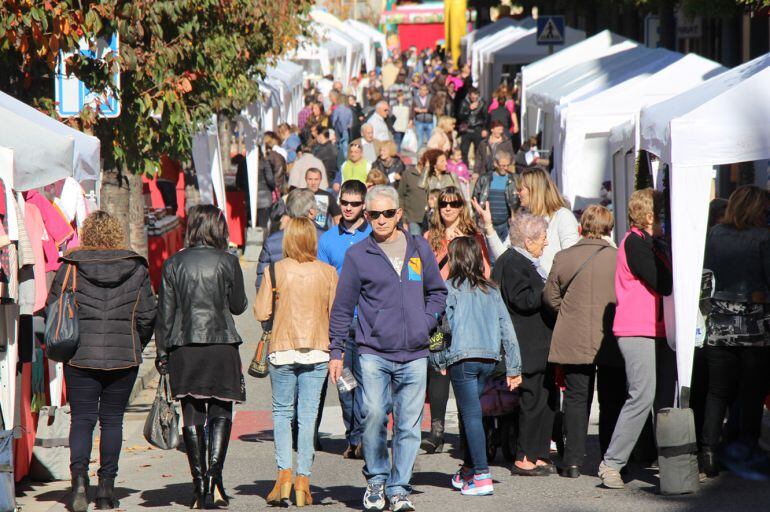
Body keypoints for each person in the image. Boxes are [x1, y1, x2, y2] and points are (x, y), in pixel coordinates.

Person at [328, 185, 447, 512]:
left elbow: (438, 292)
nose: (380, 219)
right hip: (373, 352)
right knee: (374, 416)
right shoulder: (358, 255)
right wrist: (336, 351)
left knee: (409, 426)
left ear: (398, 214)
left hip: (415, 353)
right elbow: (342, 307)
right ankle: (377, 480)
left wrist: (426, 321)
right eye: (373, 214)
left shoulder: (419, 248)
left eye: (386, 213)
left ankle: (399, 490)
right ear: (366, 216)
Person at [49, 212, 156, 512]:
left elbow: (52, 307)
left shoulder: (71, 265)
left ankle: (80, 481)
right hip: (124, 356)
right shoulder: (136, 266)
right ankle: (106, 490)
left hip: (80, 355)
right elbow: (148, 315)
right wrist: (136, 342)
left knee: (82, 420)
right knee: (113, 421)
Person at [156, 205, 248, 509]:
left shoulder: (173, 264)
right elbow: (238, 306)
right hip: (221, 343)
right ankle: (212, 482)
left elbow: (164, 315)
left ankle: (201, 486)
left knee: (192, 414)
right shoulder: (228, 261)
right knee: (221, 411)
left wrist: (161, 354)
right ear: (217, 228)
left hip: (185, 346)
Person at [255, 217, 338, 507]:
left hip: (283, 348)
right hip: (317, 348)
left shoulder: (275, 271)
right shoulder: (327, 272)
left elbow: (261, 312)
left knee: (281, 413)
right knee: (307, 416)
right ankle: (304, 480)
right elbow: (336, 314)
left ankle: (284, 477)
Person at [429, 236, 522, 495]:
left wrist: (437, 360)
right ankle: (469, 468)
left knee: (470, 415)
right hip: (489, 359)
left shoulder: (448, 288)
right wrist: (514, 367)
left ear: (454, 259)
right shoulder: (491, 289)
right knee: (470, 412)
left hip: (463, 358)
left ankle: (481, 474)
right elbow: (507, 328)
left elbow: (439, 326)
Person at [598, 188, 675, 490]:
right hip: (636, 329)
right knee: (642, 396)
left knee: (662, 399)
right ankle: (611, 464)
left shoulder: (651, 243)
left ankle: (668, 460)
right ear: (648, 214)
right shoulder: (634, 243)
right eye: (659, 213)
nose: (664, 219)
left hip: (657, 329)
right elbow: (663, 282)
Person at [543, 205, 621, 478]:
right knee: (612, 399)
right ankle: (610, 457)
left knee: (576, 399)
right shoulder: (617, 258)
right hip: (609, 335)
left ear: (582, 226)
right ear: (609, 227)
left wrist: (568, 309)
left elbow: (550, 297)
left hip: (573, 335)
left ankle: (574, 461)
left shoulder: (564, 257)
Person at [699, 185, 770, 477]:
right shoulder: (764, 238)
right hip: (755, 324)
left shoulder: (715, 234)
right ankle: (745, 448)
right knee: (750, 392)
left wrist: (710, 307)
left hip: (719, 322)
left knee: (717, 392)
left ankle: (709, 452)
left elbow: (704, 274)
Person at [421, 187, 490, 454]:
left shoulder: (474, 236)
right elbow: (424, 272)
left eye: (454, 203)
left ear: (462, 206)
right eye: (443, 204)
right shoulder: (430, 238)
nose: (448, 208)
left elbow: (485, 271)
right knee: (438, 367)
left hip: (465, 313)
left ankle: (466, 430)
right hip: (438, 314)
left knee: (463, 367)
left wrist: (464, 246)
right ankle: (436, 431)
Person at [491, 213, 557, 477]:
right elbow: (523, 301)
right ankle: (524, 457)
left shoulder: (523, 260)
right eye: (542, 238)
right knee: (531, 401)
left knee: (544, 399)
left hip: (536, 345)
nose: (546, 243)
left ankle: (538, 453)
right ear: (528, 241)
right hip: (525, 345)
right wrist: (548, 287)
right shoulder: (513, 262)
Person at [318, 180, 372, 460]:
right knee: (345, 384)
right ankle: (354, 436)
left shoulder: (375, 235)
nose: (349, 208)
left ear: (364, 205)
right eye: (344, 203)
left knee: (369, 382)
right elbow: (322, 283)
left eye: (354, 203)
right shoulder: (327, 240)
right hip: (340, 323)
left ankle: (367, 436)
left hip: (371, 322)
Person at [483, 168, 579, 273]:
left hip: (552, 287)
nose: (516, 192)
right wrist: (488, 225)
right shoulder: (524, 220)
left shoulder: (563, 216)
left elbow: (572, 260)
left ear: (534, 190)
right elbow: (503, 257)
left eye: (520, 189)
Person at [256, 188, 319, 289]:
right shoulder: (326, 239)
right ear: (312, 212)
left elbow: (262, 282)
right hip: (316, 300)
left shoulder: (271, 241)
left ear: (288, 211)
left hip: (281, 300)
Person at [472, 152, 520, 242]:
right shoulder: (484, 178)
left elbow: (519, 202)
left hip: (506, 224)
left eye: (507, 165)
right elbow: (475, 199)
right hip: (487, 224)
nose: (505, 168)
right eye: (502, 165)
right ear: (495, 163)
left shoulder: (514, 179)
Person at [398, 160, 429, 237]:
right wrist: (404, 219)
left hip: (428, 218)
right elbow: (400, 197)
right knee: (416, 242)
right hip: (412, 218)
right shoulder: (408, 174)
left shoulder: (431, 175)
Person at [457, 87, 487, 166]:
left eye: (476, 95)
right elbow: (460, 116)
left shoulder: (482, 103)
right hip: (466, 129)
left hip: (478, 128)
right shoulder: (464, 102)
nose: (474, 97)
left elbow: (486, 117)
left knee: (478, 150)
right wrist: (469, 109)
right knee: (464, 150)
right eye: (472, 95)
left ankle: (478, 168)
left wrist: (484, 129)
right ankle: (464, 167)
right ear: (469, 95)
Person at [264, 131, 288, 195]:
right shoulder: (280, 151)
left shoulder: (279, 151)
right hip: (275, 186)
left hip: (274, 187)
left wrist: (276, 188)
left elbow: (280, 171)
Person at [331, 94, 353, 159]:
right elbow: (350, 124)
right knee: (345, 148)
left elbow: (334, 121)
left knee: (339, 148)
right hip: (346, 131)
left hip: (338, 131)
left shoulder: (337, 109)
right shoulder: (349, 110)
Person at [411, 84, 433, 149]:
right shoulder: (415, 99)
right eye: (420, 89)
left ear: (427, 91)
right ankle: (418, 156)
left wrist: (424, 110)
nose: (422, 91)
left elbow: (433, 108)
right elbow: (412, 110)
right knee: (419, 141)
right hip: (419, 121)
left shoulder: (431, 98)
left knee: (430, 140)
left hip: (429, 121)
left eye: (424, 90)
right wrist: (411, 120)